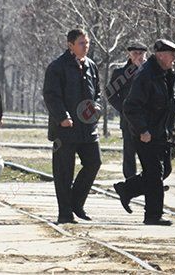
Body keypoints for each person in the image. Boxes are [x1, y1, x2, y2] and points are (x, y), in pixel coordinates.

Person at [115, 39, 175, 226]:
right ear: (161, 55)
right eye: (171, 55)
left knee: (164, 170)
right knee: (154, 173)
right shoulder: (147, 75)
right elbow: (130, 106)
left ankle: (127, 189)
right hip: (146, 135)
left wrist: (174, 134)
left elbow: (169, 107)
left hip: (161, 133)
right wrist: (142, 130)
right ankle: (153, 215)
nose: (174, 59)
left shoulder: (166, 75)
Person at [42, 28, 102, 224]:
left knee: (94, 162)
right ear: (70, 45)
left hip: (87, 128)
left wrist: (97, 109)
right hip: (65, 129)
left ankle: (76, 202)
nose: (86, 47)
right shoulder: (57, 67)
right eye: (81, 43)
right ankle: (65, 214)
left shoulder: (91, 66)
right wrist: (63, 117)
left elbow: (97, 94)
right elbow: (51, 96)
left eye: (87, 43)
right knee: (64, 172)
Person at [106, 43, 147, 179]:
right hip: (129, 121)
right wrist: (124, 109)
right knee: (129, 154)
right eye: (135, 53)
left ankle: (151, 182)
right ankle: (130, 183)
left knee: (149, 153)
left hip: (148, 120)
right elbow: (110, 93)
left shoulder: (151, 72)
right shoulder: (121, 73)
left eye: (141, 53)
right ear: (129, 55)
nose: (138, 56)